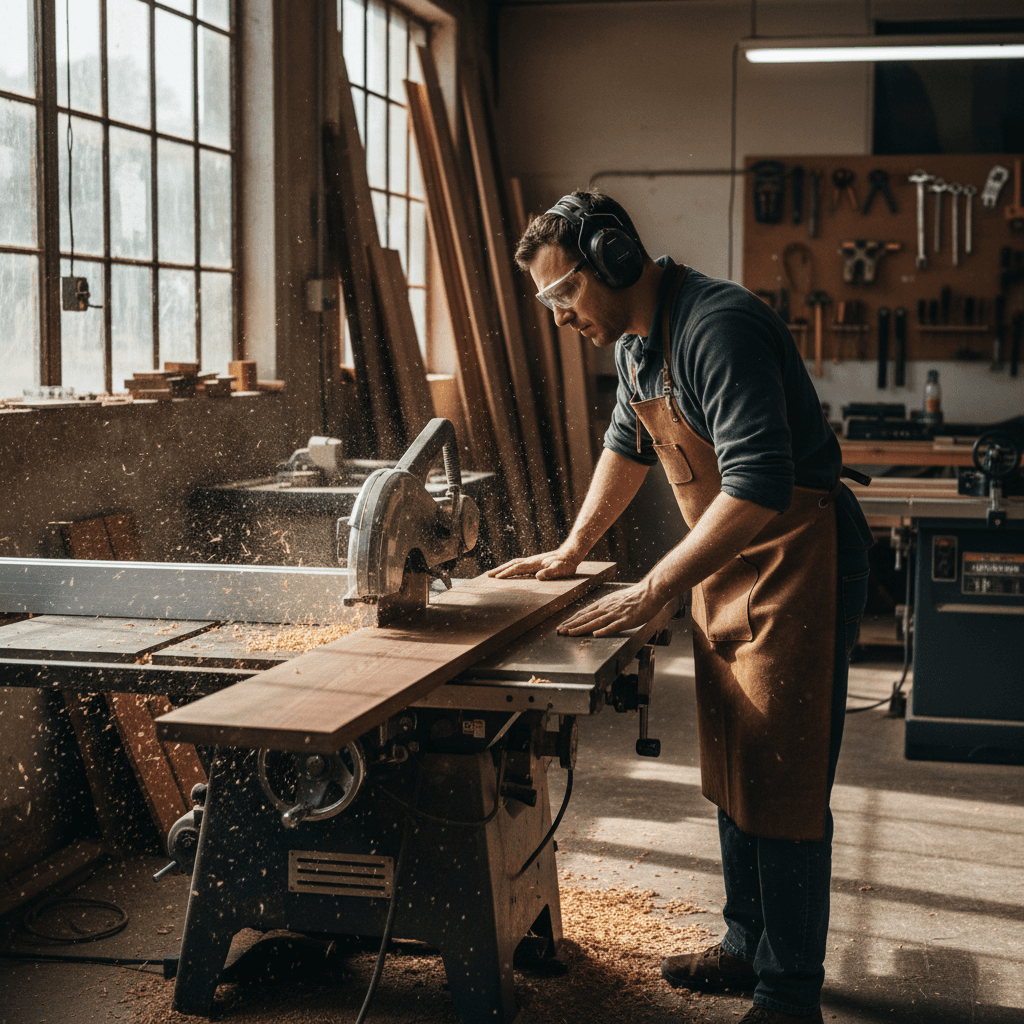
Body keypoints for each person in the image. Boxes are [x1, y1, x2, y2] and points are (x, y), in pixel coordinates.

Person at [489, 190, 873, 1023]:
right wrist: (572, 550)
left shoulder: (715, 328)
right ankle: (744, 948)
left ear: (616, 260)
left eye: (565, 294)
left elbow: (762, 484)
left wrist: (657, 584)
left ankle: (788, 993)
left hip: (797, 557)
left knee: (787, 782)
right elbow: (626, 447)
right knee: (737, 766)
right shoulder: (635, 345)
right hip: (730, 564)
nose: (559, 316)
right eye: (547, 302)